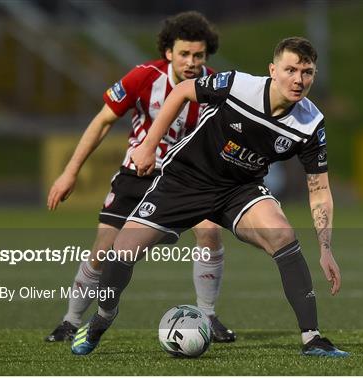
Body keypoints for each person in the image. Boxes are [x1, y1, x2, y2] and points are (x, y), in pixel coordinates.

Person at [71, 36, 349, 357]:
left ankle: (312, 339)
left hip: (239, 189)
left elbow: (319, 188)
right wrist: (148, 146)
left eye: (307, 72)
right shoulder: (237, 85)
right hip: (186, 180)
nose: (298, 80)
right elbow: (181, 92)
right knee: (122, 250)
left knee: (283, 235)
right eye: (290, 70)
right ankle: (102, 318)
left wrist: (326, 249)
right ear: (273, 70)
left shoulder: (311, 123)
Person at [45, 11, 235, 344]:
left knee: (209, 233)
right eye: (184, 54)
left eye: (199, 55)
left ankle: (208, 316)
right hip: (138, 174)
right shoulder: (143, 77)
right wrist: (69, 172)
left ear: (207, 55)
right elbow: (102, 121)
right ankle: (71, 321)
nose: (192, 62)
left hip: (186, 179)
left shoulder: (216, 86)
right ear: (168, 53)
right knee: (104, 249)